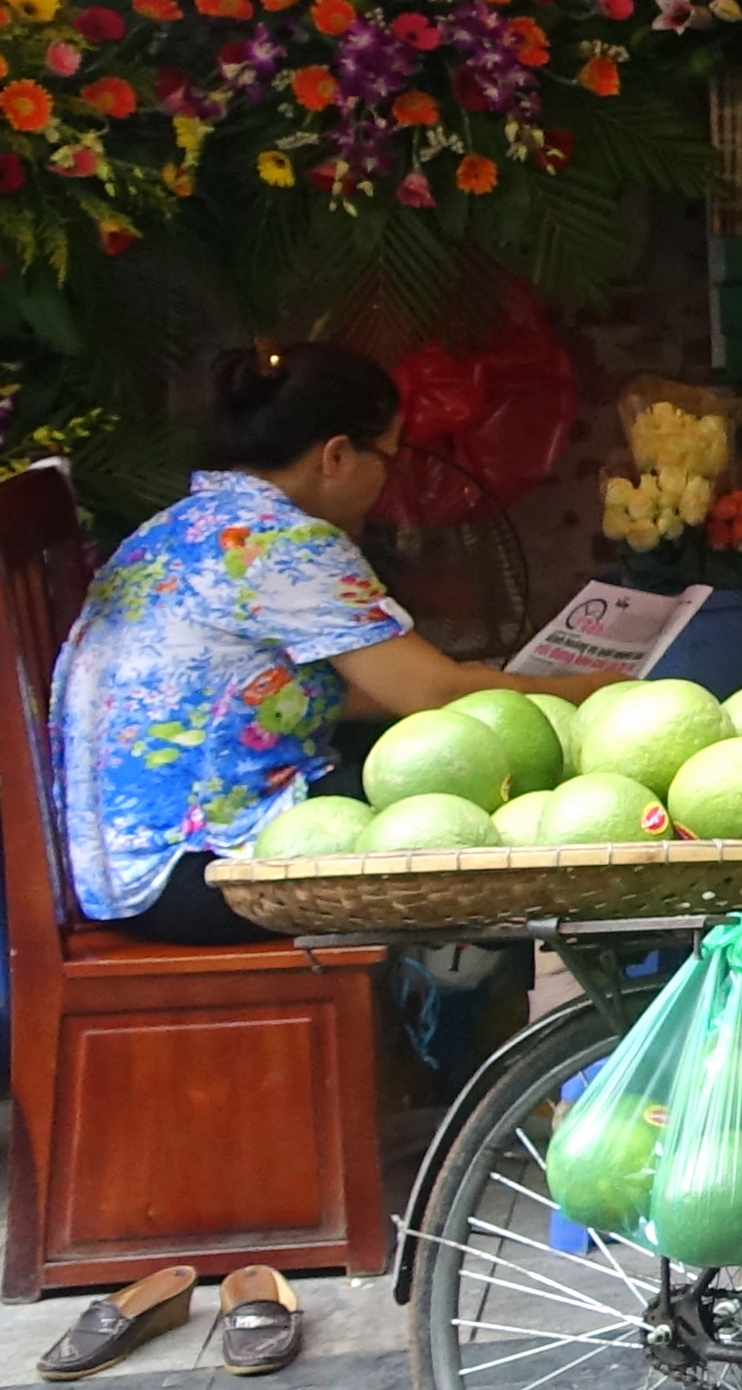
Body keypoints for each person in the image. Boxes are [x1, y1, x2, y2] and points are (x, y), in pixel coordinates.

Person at [53, 342, 612, 945]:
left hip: (124, 868)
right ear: (337, 456)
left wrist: (488, 680)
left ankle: (458, 989)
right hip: (203, 867)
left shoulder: (177, 528)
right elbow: (434, 693)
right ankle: (460, 989)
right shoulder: (279, 543)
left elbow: (270, 699)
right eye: (388, 458)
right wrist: (593, 690)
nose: (389, 480)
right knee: (461, 799)